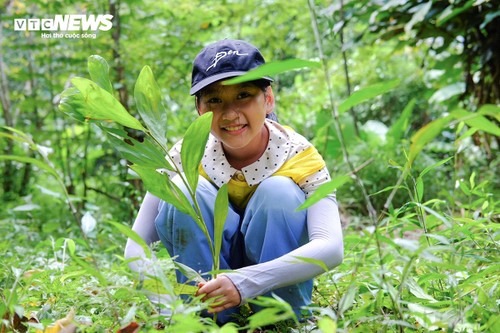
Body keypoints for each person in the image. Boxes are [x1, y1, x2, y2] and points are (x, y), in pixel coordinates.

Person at [124, 38, 344, 324]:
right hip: (206, 297)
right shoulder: (186, 156)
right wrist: (169, 308)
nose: (230, 114)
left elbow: (331, 247)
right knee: (183, 191)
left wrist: (245, 282)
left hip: (277, 293)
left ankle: (279, 320)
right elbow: (136, 246)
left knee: (279, 192)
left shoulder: (297, 154)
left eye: (243, 95)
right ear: (200, 110)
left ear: (268, 99)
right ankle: (203, 321)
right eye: (215, 100)